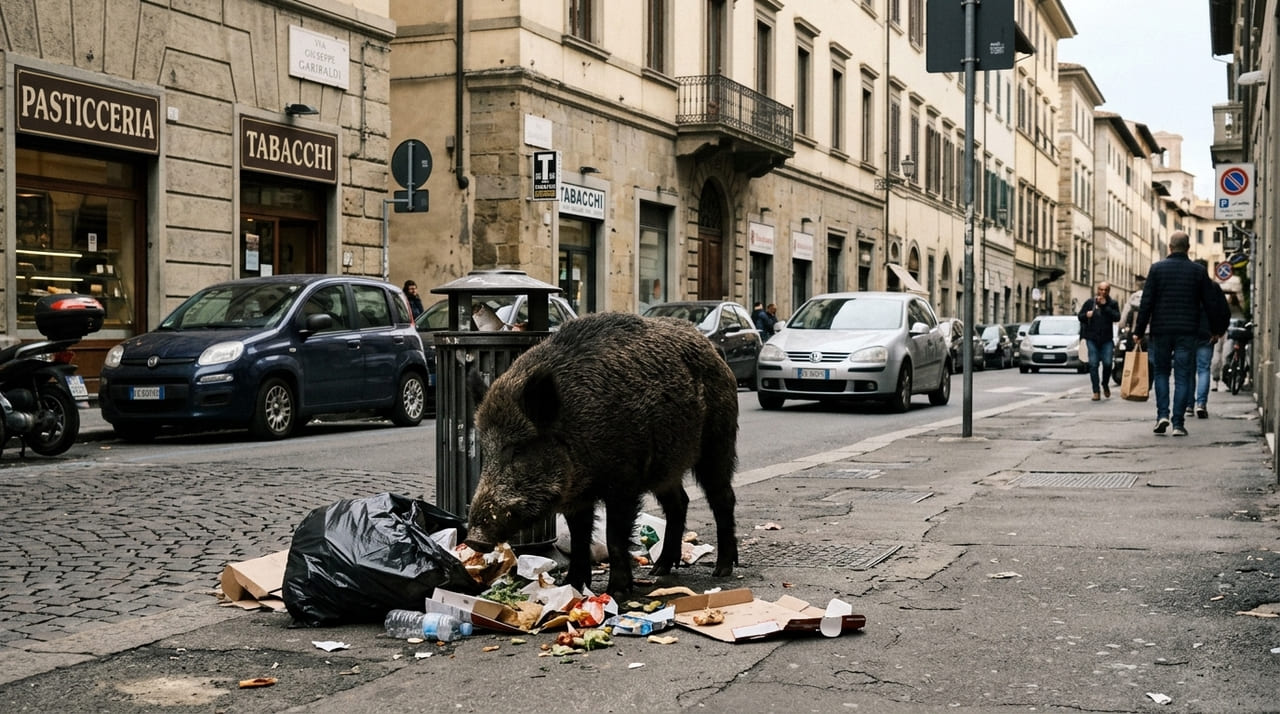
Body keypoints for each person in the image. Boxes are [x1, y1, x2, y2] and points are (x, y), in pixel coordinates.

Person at [1134, 232, 1230, 437]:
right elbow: (1210, 302)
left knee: (1161, 373)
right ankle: (1178, 423)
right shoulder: (1198, 271)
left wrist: (1139, 331)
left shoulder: (1157, 269)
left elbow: (1146, 303)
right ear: (1188, 248)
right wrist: (1216, 329)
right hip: (1187, 331)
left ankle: (1162, 415)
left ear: (1169, 247)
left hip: (1160, 331)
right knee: (1182, 376)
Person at [1190, 260, 1229, 419]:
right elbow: (1224, 312)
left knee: (1188, 371)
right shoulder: (1214, 287)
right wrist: (1218, 331)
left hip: (1188, 333)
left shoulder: (1188, 286)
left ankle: (1188, 405)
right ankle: (1201, 404)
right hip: (1207, 334)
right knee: (1203, 369)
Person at [1077, 281, 1120, 400]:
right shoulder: (1090, 303)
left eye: (1106, 290)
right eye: (1101, 289)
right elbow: (1080, 317)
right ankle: (1096, 391)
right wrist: (1086, 315)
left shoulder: (1112, 303)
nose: (1103, 292)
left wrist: (1105, 306)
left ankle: (1105, 383)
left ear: (1109, 291)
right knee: (1093, 364)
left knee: (1107, 364)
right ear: (1097, 290)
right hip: (1092, 339)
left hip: (1106, 339)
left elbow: (1117, 317)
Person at [1210, 292, 1247, 391]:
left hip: (1219, 332)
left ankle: (1215, 381)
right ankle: (1226, 380)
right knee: (1226, 357)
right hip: (1230, 334)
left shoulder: (1219, 306)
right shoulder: (1238, 309)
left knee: (1217, 355)